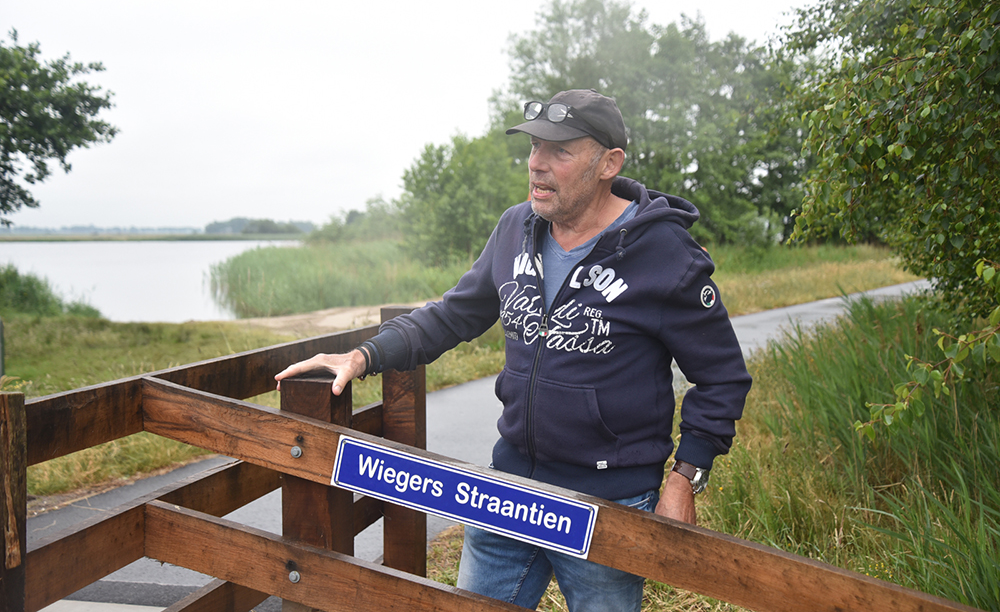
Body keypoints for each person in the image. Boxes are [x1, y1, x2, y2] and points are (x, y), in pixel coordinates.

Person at [275, 89, 752, 611]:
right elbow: (453, 314)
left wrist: (685, 476)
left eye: (560, 151)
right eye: (533, 148)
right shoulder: (515, 229)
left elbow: (722, 377)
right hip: (508, 492)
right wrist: (362, 356)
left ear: (608, 164)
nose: (537, 166)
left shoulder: (665, 255)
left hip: (608, 504)